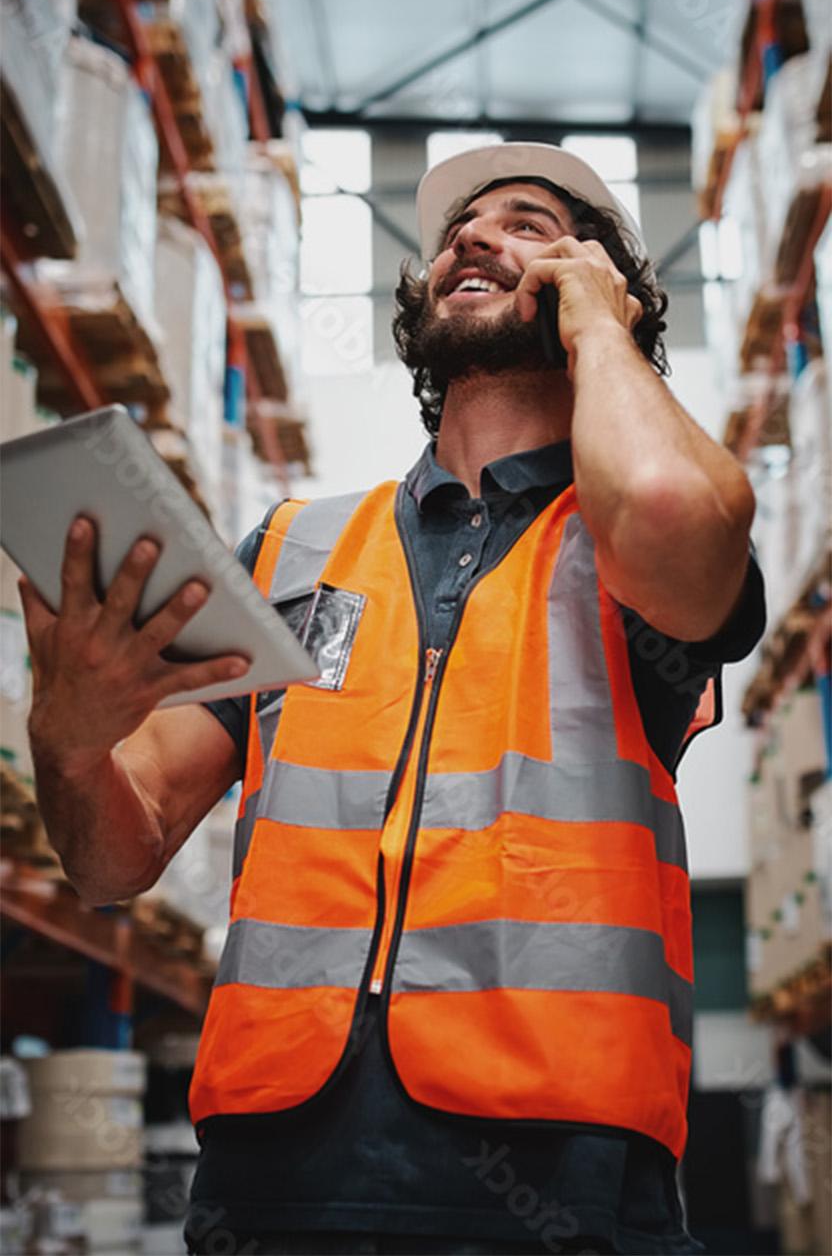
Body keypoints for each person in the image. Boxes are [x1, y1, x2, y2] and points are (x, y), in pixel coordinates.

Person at [21, 143, 766, 1256]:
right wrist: (68, 739)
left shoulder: (627, 540)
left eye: (526, 224)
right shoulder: (289, 547)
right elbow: (112, 858)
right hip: (275, 1177)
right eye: (459, 230)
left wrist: (604, 331)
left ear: (597, 278)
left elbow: (661, 500)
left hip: (561, 1175)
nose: (471, 237)